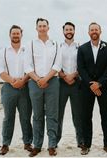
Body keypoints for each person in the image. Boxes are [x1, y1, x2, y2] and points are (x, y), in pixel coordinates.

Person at [77, 22, 107, 155]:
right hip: (87, 88)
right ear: (88, 32)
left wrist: (98, 84)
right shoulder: (82, 48)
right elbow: (80, 68)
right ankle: (86, 145)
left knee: (106, 116)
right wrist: (91, 84)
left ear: (100, 31)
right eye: (92, 29)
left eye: (96, 29)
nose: (94, 31)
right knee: (86, 117)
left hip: (103, 87)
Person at [25, 18, 61, 157]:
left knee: (52, 115)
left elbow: (57, 65)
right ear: (36, 28)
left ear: (48, 27)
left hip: (52, 82)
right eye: (39, 26)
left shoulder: (56, 44)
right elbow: (27, 66)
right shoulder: (30, 44)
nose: (42, 28)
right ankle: (37, 145)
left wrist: (46, 78)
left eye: (44, 26)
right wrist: (38, 79)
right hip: (35, 83)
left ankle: (52, 145)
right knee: (37, 115)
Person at [0, 25, 33, 155]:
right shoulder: (3, 51)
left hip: (25, 87)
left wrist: (22, 81)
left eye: (18, 33)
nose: (16, 35)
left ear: (21, 35)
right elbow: (0, 71)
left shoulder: (27, 50)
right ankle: (5, 144)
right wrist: (13, 81)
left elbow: (31, 69)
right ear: (10, 35)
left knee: (26, 117)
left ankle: (27, 143)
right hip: (8, 88)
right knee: (8, 117)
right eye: (13, 33)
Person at [56, 22, 83, 148]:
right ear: (63, 31)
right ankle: (55, 140)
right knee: (58, 113)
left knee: (77, 113)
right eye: (66, 29)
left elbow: (83, 65)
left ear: (74, 31)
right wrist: (64, 76)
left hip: (76, 83)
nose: (69, 31)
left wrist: (74, 75)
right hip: (61, 83)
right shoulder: (58, 46)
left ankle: (80, 140)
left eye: (71, 29)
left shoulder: (80, 47)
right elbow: (55, 65)